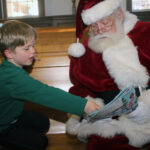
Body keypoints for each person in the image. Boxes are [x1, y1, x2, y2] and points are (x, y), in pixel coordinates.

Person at [0, 20, 100, 150]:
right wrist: (84, 105)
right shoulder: (12, 78)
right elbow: (46, 94)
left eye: (33, 46)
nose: (33, 52)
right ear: (9, 53)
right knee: (40, 142)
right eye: (27, 48)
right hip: (3, 126)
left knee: (42, 122)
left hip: (12, 115)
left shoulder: (10, 68)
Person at [66, 0, 150, 150]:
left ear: (119, 15)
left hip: (146, 105)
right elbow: (78, 87)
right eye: (94, 26)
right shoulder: (85, 49)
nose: (100, 30)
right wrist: (92, 107)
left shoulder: (145, 33)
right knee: (103, 141)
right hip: (109, 118)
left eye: (105, 23)